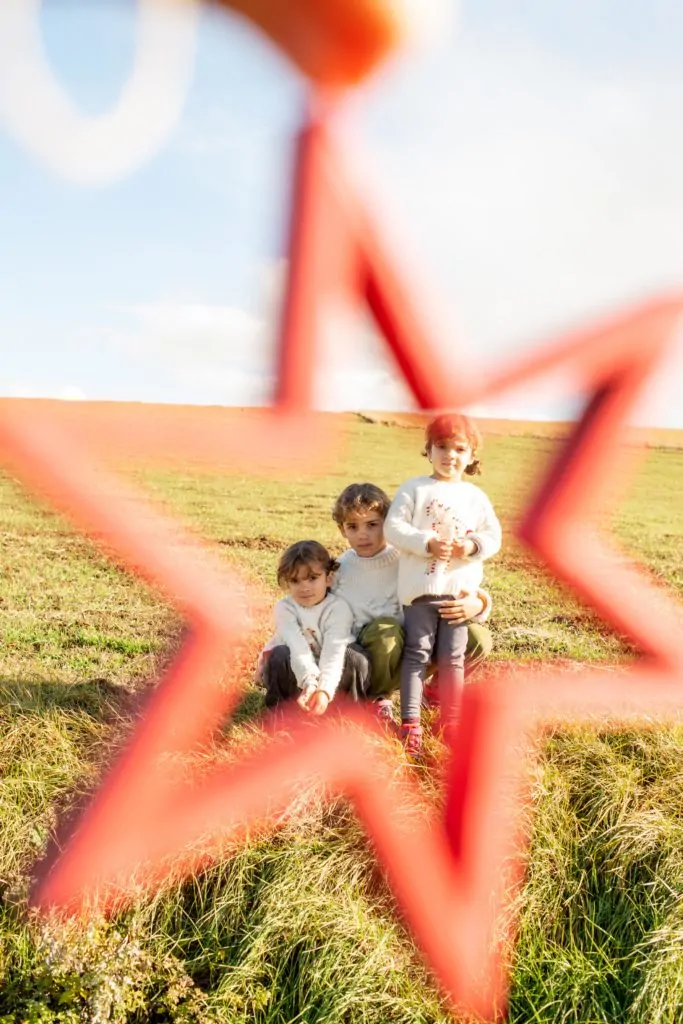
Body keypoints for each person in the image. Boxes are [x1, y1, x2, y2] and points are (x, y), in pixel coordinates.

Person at [384, 414, 502, 757]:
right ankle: (411, 724)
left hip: (458, 596)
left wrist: (471, 547)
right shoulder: (414, 489)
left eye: (459, 449)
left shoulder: (475, 497)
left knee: (452, 659)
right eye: (442, 447)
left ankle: (451, 722)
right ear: (428, 450)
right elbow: (394, 528)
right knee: (416, 653)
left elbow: (493, 536)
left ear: (471, 456)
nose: (450, 455)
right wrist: (426, 543)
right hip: (420, 593)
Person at [331, 481, 493, 726]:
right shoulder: (339, 571)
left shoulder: (410, 557)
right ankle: (377, 699)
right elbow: (310, 609)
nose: (362, 534)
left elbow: (446, 584)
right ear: (342, 529)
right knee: (386, 630)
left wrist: (478, 602)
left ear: (388, 524)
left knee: (477, 638)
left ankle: (435, 693)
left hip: (419, 648)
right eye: (352, 526)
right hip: (374, 661)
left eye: (372, 525)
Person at [259, 539, 371, 714]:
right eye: (295, 580)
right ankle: (281, 712)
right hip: (297, 673)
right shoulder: (285, 608)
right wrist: (310, 683)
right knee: (279, 654)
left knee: (357, 658)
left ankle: (350, 713)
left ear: (328, 578)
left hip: (335, 673)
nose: (304, 587)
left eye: (312, 578)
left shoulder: (339, 608)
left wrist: (324, 690)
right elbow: (297, 648)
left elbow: (334, 651)